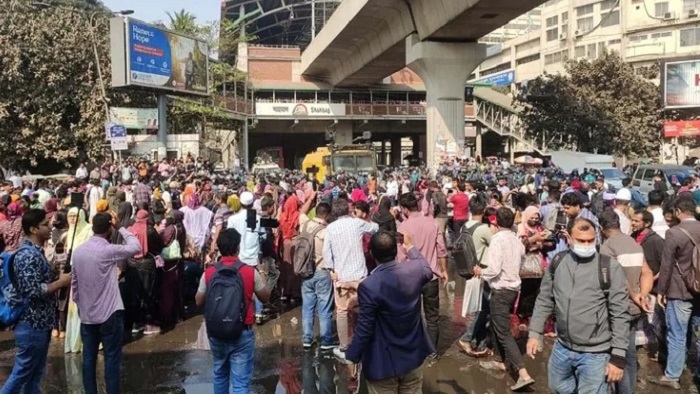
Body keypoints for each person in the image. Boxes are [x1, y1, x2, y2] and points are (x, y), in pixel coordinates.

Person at [527, 217, 630, 394]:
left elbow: (620, 313)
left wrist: (618, 356)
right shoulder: (558, 261)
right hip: (563, 346)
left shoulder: (608, 267)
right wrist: (535, 332)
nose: (586, 244)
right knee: (557, 387)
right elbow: (545, 298)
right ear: (569, 237)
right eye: (581, 241)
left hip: (596, 353)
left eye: (591, 240)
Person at [344, 231, 434, 393]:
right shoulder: (414, 270)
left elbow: (364, 328)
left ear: (371, 253)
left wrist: (352, 356)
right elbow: (426, 268)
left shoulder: (369, 286)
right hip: (413, 357)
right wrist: (411, 246)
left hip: (384, 365)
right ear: (396, 250)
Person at [1, 209, 71, 393]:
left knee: (34, 375)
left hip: (40, 323)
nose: (50, 228)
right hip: (31, 323)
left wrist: (55, 275)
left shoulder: (35, 252)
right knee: (22, 373)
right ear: (33, 229)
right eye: (45, 225)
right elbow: (32, 290)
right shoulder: (27, 255)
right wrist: (60, 282)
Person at [71, 212, 141, 394]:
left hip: (87, 315)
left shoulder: (78, 252)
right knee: (111, 359)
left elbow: (74, 283)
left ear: (93, 227)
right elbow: (136, 246)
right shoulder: (109, 250)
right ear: (109, 229)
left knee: (88, 359)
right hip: (110, 313)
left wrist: (80, 305)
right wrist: (120, 227)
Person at [195, 229, 270, 393]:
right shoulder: (250, 272)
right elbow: (265, 297)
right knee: (241, 383)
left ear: (220, 248)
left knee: (220, 374)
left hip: (216, 332)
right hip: (242, 330)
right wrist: (262, 271)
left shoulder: (209, 273)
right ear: (237, 248)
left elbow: (198, 300)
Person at [475, 207, 535, 391]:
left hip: (501, 290)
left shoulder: (497, 240)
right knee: (495, 324)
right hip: (513, 289)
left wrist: (480, 271)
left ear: (496, 222)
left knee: (503, 332)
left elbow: (493, 270)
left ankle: (523, 374)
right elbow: (523, 257)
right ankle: (499, 360)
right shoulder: (516, 240)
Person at [598, 210, 653, 394]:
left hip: (616, 310)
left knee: (614, 355)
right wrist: (641, 296)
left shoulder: (607, 247)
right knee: (629, 354)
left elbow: (614, 281)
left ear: (601, 227)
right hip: (635, 308)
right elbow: (647, 273)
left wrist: (633, 296)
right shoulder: (634, 244)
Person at [648, 197, 700, 390]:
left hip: (680, 290)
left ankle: (672, 375)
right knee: (698, 334)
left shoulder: (674, 233)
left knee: (677, 334)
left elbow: (667, 264)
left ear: (678, 211)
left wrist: (661, 291)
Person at [322, 198, 378, 363]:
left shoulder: (330, 228)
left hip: (341, 277)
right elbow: (374, 228)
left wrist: (331, 270)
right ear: (348, 210)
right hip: (359, 275)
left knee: (342, 312)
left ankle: (344, 346)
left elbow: (327, 252)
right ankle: (365, 342)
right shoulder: (357, 223)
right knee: (362, 309)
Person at [397, 192, 447, 365]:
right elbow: (441, 249)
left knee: (413, 314)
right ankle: (432, 352)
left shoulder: (403, 227)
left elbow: (401, 256)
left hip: (411, 278)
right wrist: (444, 270)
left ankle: (414, 348)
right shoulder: (432, 222)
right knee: (433, 316)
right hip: (431, 276)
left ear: (404, 209)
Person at [298, 199, 335, 351]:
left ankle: (307, 339)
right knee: (324, 308)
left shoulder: (304, 224)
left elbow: (302, 212)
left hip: (305, 270)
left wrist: (311, 198)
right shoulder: (327, 232)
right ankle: (326, 341)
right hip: (322, 271)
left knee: (307, 307)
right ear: (327, 215)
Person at [458, 197, 494, 357]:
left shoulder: (465, 226)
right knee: (483, 309)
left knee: (481, 307)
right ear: (484, 210)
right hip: (482, 271)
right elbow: (496, 244)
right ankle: (467, 338)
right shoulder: (484, 229)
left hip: (469, 270)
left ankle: (481, 344)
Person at [630, 209, 666, 360]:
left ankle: (662, 351)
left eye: (636, 221)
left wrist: (652, 278)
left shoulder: (656, 241)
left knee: (657, 322)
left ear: (647, 223)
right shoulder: (633, 237)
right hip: (639, 285)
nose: (633, 223)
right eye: (632, 220)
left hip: (654, 287)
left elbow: (666, 264)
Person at [65, 207, 93, 354]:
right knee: (75, 307)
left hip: (87, 273)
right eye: (69, 216)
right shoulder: (69, 232)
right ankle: (75, 340)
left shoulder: (89, 230)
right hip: (74, 273)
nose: (72, 219)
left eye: (75, 216)